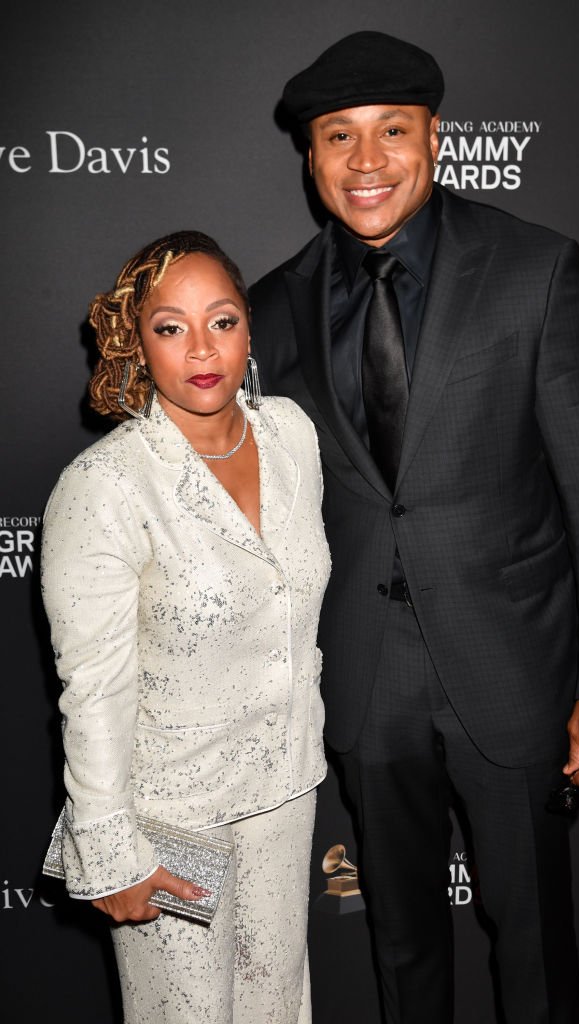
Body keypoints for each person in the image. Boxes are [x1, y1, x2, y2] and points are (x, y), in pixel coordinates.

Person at [249, 31, 579, 1024]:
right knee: (400, 949)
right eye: (335, 137)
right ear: (309, 158)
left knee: (533, 950)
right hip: (360, 679)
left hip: (510, 669)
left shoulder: (534, 269)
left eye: (391, 130)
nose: (365, 160)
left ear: (434, 136)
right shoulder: (268, 307)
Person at [41, 230, 330, 1024]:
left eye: (223, 321)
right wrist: (111, 850)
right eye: (171, 327)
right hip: (172, 815)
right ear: (137, 341)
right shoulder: (105, 485)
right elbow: (93, 686)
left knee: (277, 1005)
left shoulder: (292, 437)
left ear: (248, 330)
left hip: (284, 789)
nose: (201, 349)